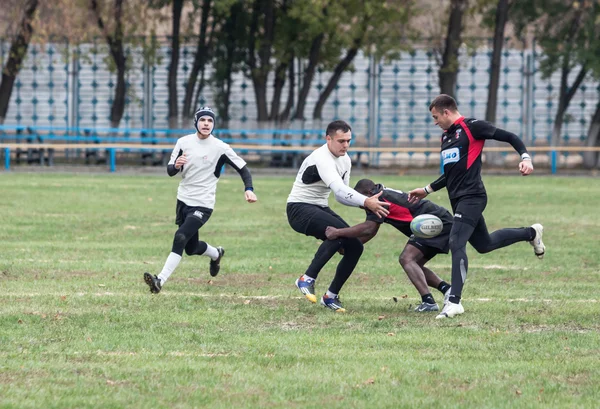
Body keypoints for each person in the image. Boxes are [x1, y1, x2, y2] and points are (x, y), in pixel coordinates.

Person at [407, 94, 545, 319]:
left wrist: (526, 157)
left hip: (473, 197)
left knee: (456, 241)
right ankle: (531, 232)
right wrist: (426, 189)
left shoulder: (473, 127)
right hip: (458, 199)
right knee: (484, 244)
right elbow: (450, 174)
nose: (435, 122)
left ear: (447, 112)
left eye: (435, 117)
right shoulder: (446, 137)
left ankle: (454, 301)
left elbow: (510, 136)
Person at [144, 107, 258, 293]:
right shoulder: (183, 142)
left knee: (180, 236)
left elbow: (243, 169)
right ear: (196, 122)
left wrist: (249, 189)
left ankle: (160, 280)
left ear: (213, 124)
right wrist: (176, 165)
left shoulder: (220, 147)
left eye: (210, 121)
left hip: (203, 204)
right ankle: (216, 254)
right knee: (191, 247)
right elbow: (170, 170)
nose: (206, 123)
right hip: (183, 200)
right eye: (203, 120)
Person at [287, 120, 389, 312]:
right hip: (299, 209)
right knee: (338, 233)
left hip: (319, 207)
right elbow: (340, 190)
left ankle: (330, 296)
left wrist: (364, 203)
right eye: (341, 141)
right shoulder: (322, 158)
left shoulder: (345, 160)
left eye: (349, 141)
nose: (346, 145)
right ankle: (306, 279)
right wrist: (366, 202)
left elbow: (341, 196)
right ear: (328, 139)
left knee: (355, 246)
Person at [324, 178, 452, 312]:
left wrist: (338, 232)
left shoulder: (378, 198)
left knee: (407, 259)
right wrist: (353, 246)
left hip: (435, 221)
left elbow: (368, 228)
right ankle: (447, 289)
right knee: (415, 264)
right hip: (438, 219)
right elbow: (372, 231)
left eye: (360, 199)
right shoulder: (380, 193)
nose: (361, 204)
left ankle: (428, 302)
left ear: (368, 192)